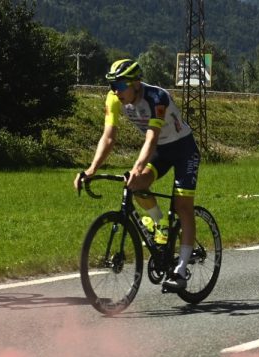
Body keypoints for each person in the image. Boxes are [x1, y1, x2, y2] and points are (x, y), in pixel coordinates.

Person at [74, 59, 201, 291]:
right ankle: (160, 222)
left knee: (183, 206)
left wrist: (136, 166)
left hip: (183, 149)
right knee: (135, 184)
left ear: (136, 83)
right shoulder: (114, 98)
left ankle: (181, 270)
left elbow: (151, 137)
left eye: (120, 86)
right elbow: (109, 137)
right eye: (112, 85)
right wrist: (92, 168)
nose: (115, 91)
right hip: (161, 152)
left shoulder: (156, 98)